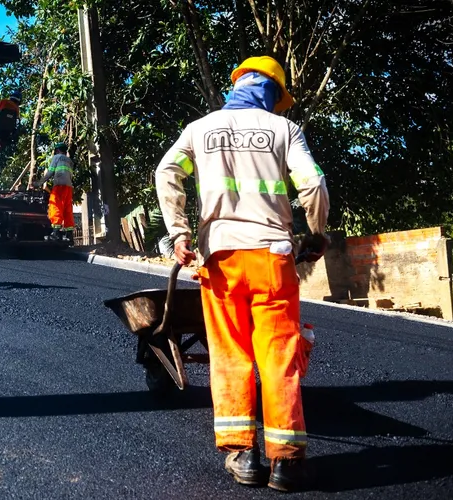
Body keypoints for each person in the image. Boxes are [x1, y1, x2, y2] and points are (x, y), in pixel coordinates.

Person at [154, 55, 330, 492]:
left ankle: (241, 455)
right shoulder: (283, 130)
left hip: (221, 259)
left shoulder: (201, 128)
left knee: (231, 353)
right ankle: (286, 463)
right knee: (278, 355)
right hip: (273, 256)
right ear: (272, 92)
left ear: (237, 86)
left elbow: (167, 172)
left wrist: (178, 232)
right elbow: (313, 183)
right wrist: (317, 233)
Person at [35, 142, 75, 243]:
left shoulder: (56, 157)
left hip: (59, 186)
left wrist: (39, 183)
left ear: (57, 150)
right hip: (69, 187)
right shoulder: (69, 161)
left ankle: (55, 234)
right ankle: (69, 235)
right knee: (67, 210)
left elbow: (50, 172)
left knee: (56, 207)